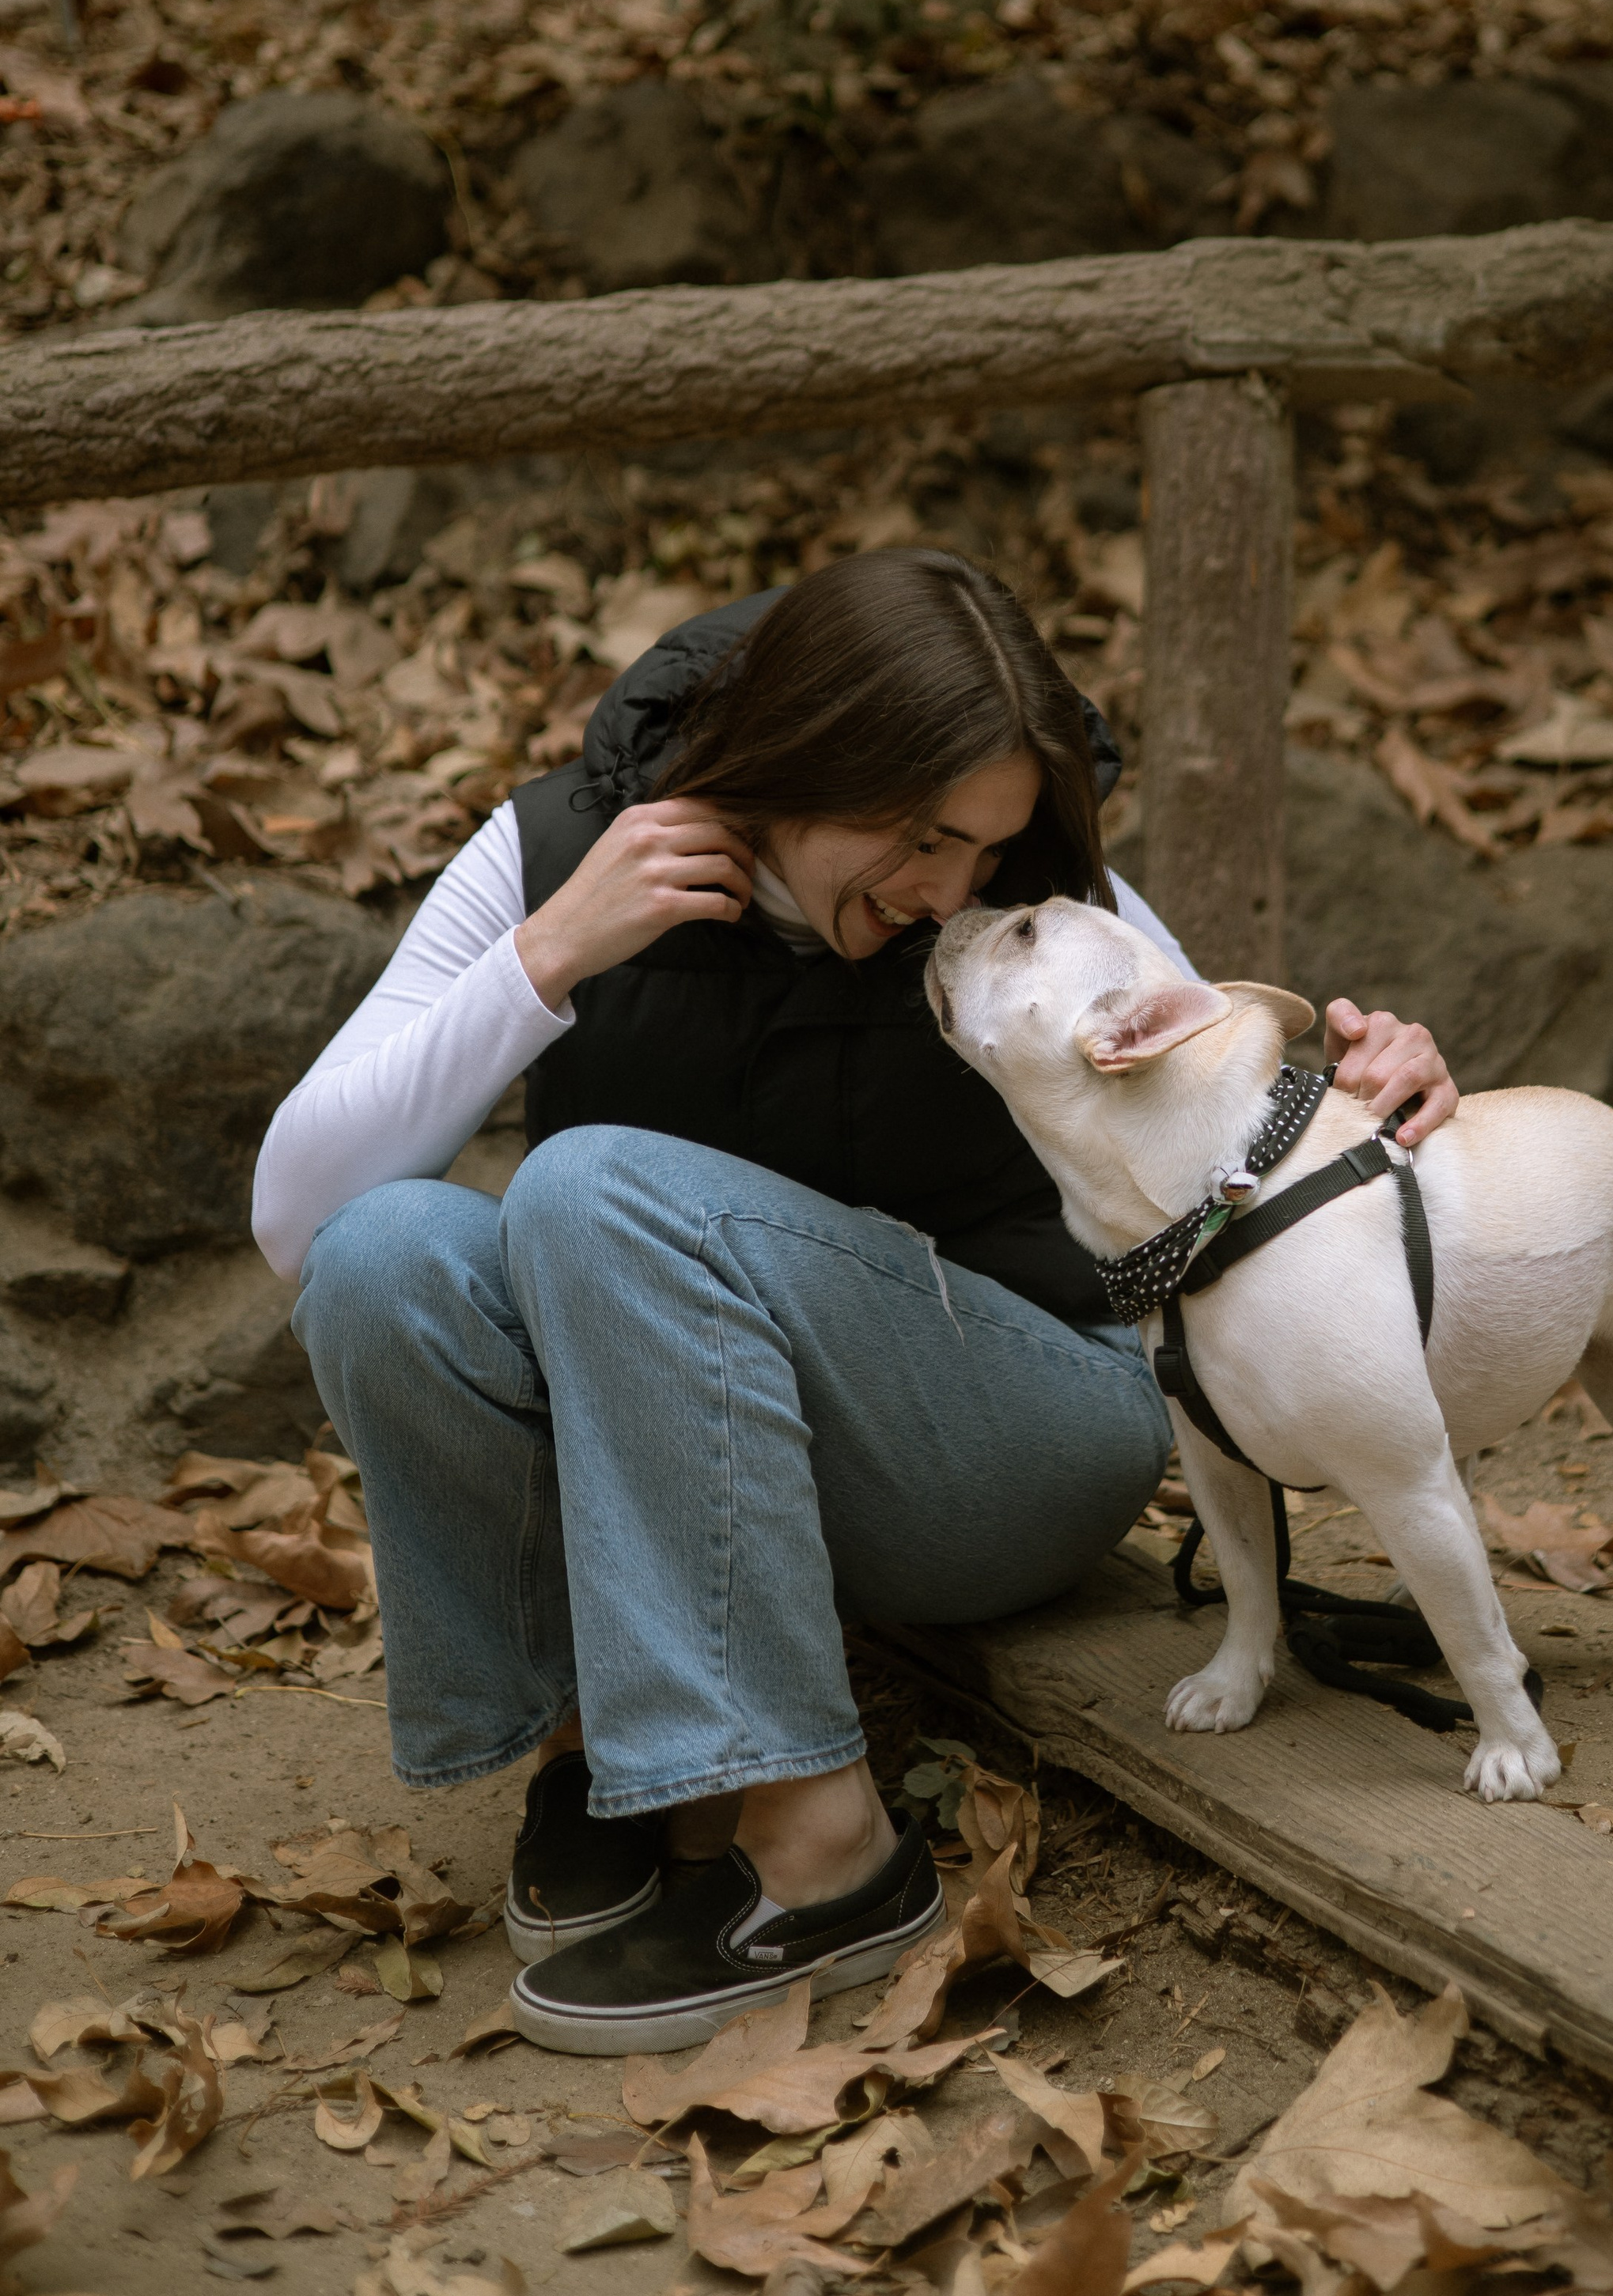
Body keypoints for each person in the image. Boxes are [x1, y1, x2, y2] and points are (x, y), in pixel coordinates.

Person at [256, 548, 1456, 2057]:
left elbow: (1227, 1097)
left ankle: (832, 1853)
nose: (949, 889)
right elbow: (297, 1223)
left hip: (1013, 1428)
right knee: (388, 1259)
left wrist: (1376, 1087)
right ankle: (611, 1753)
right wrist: (548, 955)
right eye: (918, 834)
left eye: (985, 846)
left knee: (585, 1184)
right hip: (698, 1460)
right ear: (801, 755)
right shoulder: (566, 843)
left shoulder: (1023, 899)